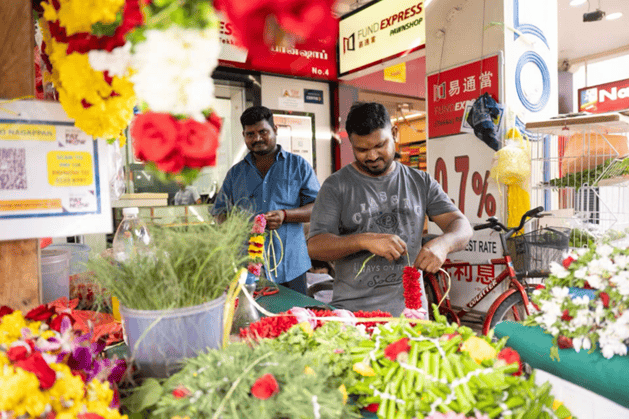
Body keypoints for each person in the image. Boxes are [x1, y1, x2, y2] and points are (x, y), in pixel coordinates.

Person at [307, 102, 473, 316]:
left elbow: (461, 227)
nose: (372, 156)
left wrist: (443, 244)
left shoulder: (420, 182)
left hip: (411, 312)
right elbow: (315, 246)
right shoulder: (336, 186)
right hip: (354, 313)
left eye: (380, 145)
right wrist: (363, 240)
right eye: (362, 149)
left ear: (394, 133)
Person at [212, 106, 320, 294]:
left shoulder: (298, 166)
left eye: (263, 132)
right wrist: (236, 226)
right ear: (244, 135)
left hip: (291, 266)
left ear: (275, 130)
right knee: (253, 320)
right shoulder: (235, 174)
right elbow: (219, 211)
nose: (257, 138)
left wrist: (285, 215)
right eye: (250, 134)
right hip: (247, 267)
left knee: (294, 318)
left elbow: (318, 208)